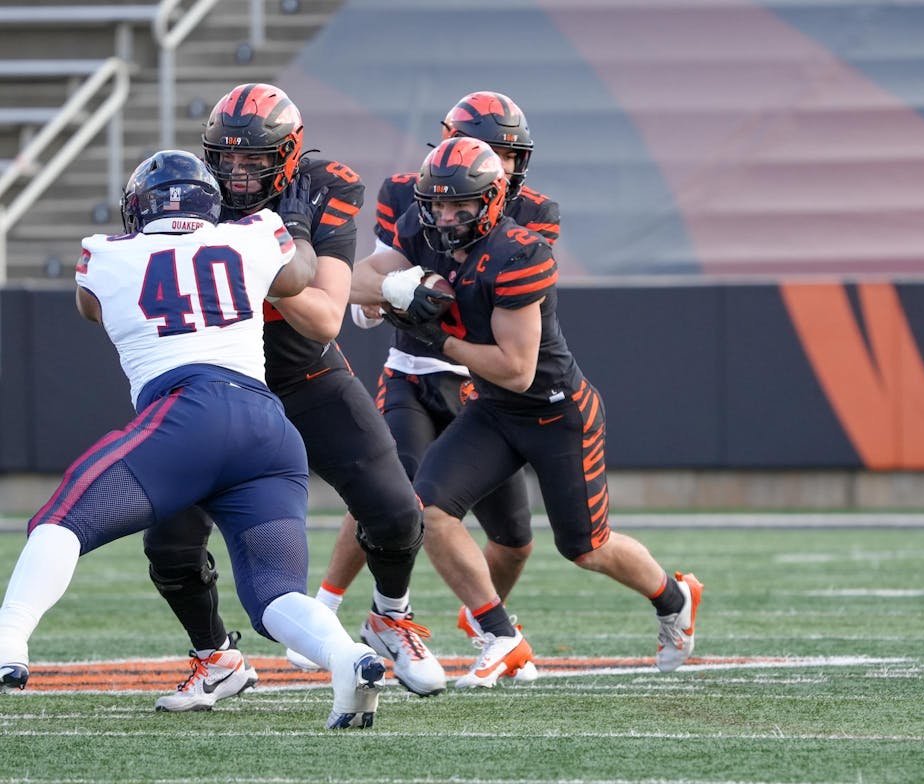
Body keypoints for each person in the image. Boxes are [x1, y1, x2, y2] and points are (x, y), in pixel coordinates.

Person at [0, 150, 385, 729]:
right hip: (269, 430)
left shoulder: (104, 254)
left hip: (189, 412)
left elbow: (91, 307)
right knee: (276, 594)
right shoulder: (255, 235)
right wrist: (298, 228)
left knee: (63, 517)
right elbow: (301, 274)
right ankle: (346, 658)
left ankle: (8, 641)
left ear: (137, 209)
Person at [350, 136, 704, 687]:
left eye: (459, 204)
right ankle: (500, 635)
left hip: (555, 411)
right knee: (430, 511)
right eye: (436, 204)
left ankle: (674, 595)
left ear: (491, 200)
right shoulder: (426, 235)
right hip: (492, 410)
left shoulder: (520, 252)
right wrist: (396, 286)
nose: (445, 216)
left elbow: (516, 368)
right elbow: (355, 279)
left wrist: (436, 338)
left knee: (587, 549)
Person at [140, 84, 445, 711]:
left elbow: (325, 317)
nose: (238, 173)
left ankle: (390, 615)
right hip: (213, 378)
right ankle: (214, 657)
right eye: (226, 159)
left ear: (289, 153)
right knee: (169, 543)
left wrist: (276, 249)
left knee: (395, 512)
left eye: (255, 159)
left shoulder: (326, 184)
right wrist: (277, 253)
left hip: (306, 374)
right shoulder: (191, 190)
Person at [286, 92, 559, 682]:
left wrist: (419, 292)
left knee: (513, 538)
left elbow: (497, 296)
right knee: (395, 493)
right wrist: (390, 292)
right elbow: (376, 274)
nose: (500, 166)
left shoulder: (537, 214)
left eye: (508, 154)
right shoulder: (412, 196)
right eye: (490, 151)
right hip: (412, 371)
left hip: (484, 387)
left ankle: (482, 616)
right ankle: (352, 611)